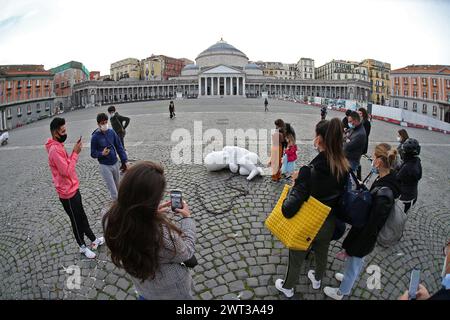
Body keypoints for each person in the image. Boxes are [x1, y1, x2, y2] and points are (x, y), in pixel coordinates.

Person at [275, 118, 349, 298]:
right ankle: (317, 279)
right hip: (329, 222)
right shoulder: (344, 167)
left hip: (308, 223)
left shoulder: (309, 171)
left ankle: (288, 286)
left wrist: (296, 183)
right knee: (322, 252)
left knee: (296, 256)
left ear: (319, 139)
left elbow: (288, 209)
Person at [102, 161, 196, 300]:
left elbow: (131, 217)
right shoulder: (161, 235)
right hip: (172, 292)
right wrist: (187, 218)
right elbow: (186, 252)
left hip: (144, 289)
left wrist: (148, 211)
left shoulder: (109, 217)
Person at [324, 143, 400, 300]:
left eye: (373, 156)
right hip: (364, 231)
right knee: (353, 262)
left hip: (365, 236)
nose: (371, 159)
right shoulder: (384, 178)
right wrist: (365, 190)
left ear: (379, 161)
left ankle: (341, 292)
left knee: (354, 264)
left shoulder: (385, 193)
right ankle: (346, 279)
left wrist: (356, 244)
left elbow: (373, 224)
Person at [45, 117, 104, 259]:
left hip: (73, 189)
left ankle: (93, 239)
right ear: (55, 133)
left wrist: (72, 153)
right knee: (76, 221)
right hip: (67, 194)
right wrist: (76, 153)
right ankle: (82, 247)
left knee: (82, 217)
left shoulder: (59, 146)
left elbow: (66, 166)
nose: (65, 133)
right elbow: (66, 171)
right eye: (63, 131)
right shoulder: (54, 150)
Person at [91, 113, 128, 201]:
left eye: (106, 122)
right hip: (104, 166)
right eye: (102, 123)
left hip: (115, 163)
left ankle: (120, 203)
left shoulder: (111, 132)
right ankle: (117, 208)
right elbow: (92, 153)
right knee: (113, 190)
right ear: (98, 124)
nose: (105, 125)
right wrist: (101, 153)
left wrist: (125, 160)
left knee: (118, 186)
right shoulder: (95, 137)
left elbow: (119, 147)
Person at [396, 138, 422, 213]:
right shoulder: (416, 160)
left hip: (405, 198)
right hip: (412, 195)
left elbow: (396, 178)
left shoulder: (408, 168)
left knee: (396, 217)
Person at [356, 107, 371, 180]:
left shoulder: (366, 122)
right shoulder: (359, 121)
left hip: (362, 144)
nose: (359, 115)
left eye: (360, 113)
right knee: (357, 160)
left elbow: (366, 134)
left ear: (363, 114)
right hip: (358, 143)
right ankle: (358, 177)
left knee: (357, 161)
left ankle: (358, 178)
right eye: (358, 113)